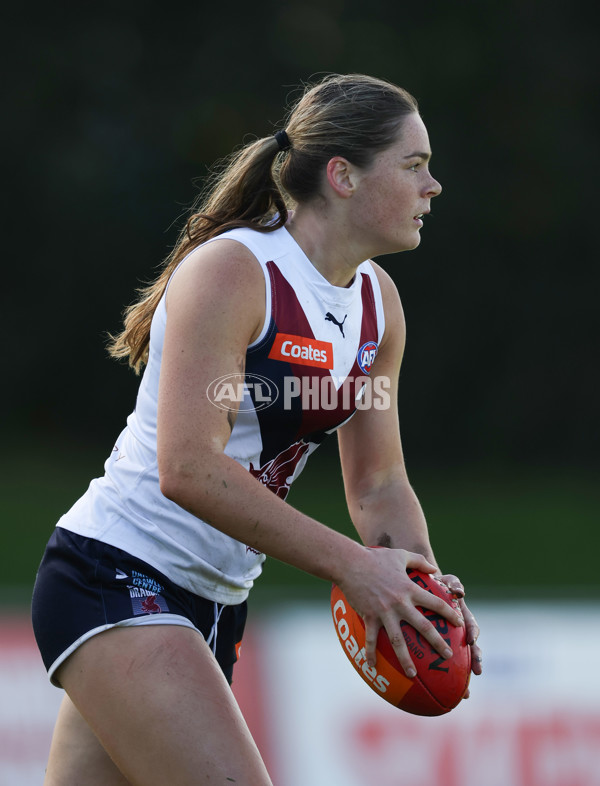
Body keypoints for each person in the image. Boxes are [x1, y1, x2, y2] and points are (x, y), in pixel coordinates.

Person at [32, 73, 482, 785]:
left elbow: (380, 483)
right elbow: (188, 468)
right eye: (414, 165)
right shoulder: (235, 273)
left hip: (215, 602)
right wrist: (353, 567)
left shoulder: (378, 306)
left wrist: (423, 589)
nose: (433, 187)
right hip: (117, 575)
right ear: (343, 176)